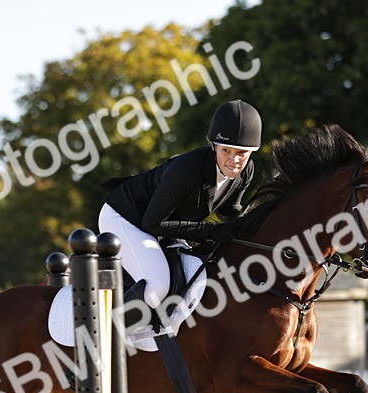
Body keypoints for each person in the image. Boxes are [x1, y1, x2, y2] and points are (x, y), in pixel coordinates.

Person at [98, 99, 262, 309]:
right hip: (125, 218)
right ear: (214, 147)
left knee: (194, 275)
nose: (234, 161)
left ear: (251, 152)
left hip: (162, 224)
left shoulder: (246, 171)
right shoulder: (186, 171)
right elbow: (152, 223)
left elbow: (230, 210)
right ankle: (112, 327)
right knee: (158, 286)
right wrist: (210, 231)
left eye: (242, 153)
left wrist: (255, 225)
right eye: (226, 151)